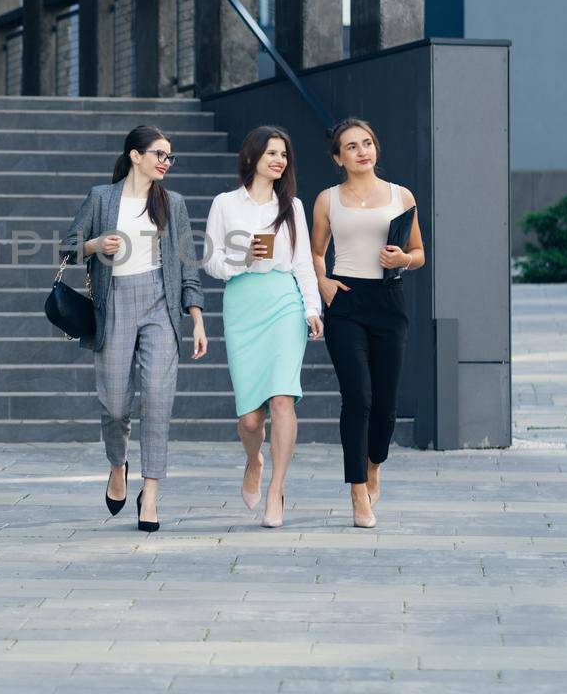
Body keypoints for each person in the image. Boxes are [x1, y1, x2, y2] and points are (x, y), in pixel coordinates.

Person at [63, 125, 206, 533]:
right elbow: (67, 244)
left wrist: (195, 317)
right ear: (135, 156)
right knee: (115, 405)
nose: (166, 162)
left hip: (160, 304)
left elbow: (188, 265)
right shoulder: (102, 198)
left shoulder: (172, 203)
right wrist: (93, 246)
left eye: (169, 156)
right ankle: (117, 464)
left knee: (158, 401)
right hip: (115, 303)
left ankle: (152, 496)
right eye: (159, 154)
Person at [203, 127, 324, 529]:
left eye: (284, 154)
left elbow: (304, 263)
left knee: (283, 400)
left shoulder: (292, 206)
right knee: (251, 420)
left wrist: (311, 309)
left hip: (283, 302)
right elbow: (211, 262)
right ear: (252, 156)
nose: (279, 160)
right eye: (271, 152)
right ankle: (253, 459)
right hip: (242, 303)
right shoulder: (225, 204)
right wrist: (243, 258)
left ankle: (277, 489)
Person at [310, 118, 425, 529]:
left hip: (388, 300)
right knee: (357, 397)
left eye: (368, 143)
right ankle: (358, 488)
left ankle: (375, 464)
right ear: (338, 158)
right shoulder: (327, 199)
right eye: (352, 146)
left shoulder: (401, 195)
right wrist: (322, 282)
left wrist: (402, 260)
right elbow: (317, 251)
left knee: (385, 406)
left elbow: (418, 252)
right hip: (346, 301)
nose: (362, 151)